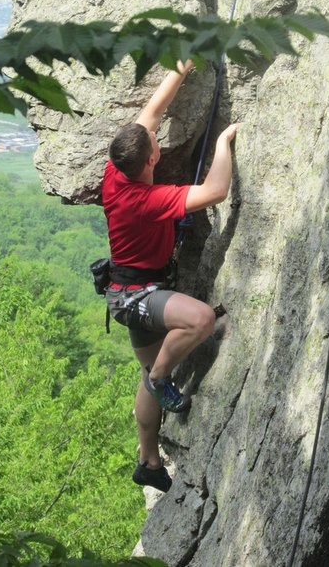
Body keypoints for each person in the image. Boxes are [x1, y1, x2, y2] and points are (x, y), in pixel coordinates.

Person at [101, 60, 238, 492]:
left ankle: (149, 460)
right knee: (199, 320)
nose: (156, 136)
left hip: (124, 293)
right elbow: (216, 191)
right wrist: (223, 141)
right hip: (141, 295)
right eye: (156, 143)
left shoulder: (115, 172)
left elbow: (151, 114)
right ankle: (162, 379)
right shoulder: (148, 199)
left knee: (145, 376)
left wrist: (182, 68)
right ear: (152, 159)